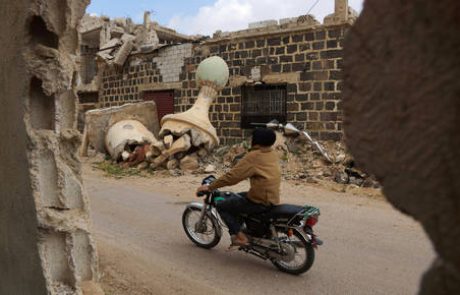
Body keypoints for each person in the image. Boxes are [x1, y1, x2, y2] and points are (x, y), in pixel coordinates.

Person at [196, 128, 281, 246]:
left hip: (259, 200)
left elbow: (232, 177)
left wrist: (210, 187)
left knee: (222, 205)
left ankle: (241, 237)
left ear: (257, 140)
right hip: (271, 197)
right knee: (236, 197)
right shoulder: (272, 153)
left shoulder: (254, 156)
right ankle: (245, 229)